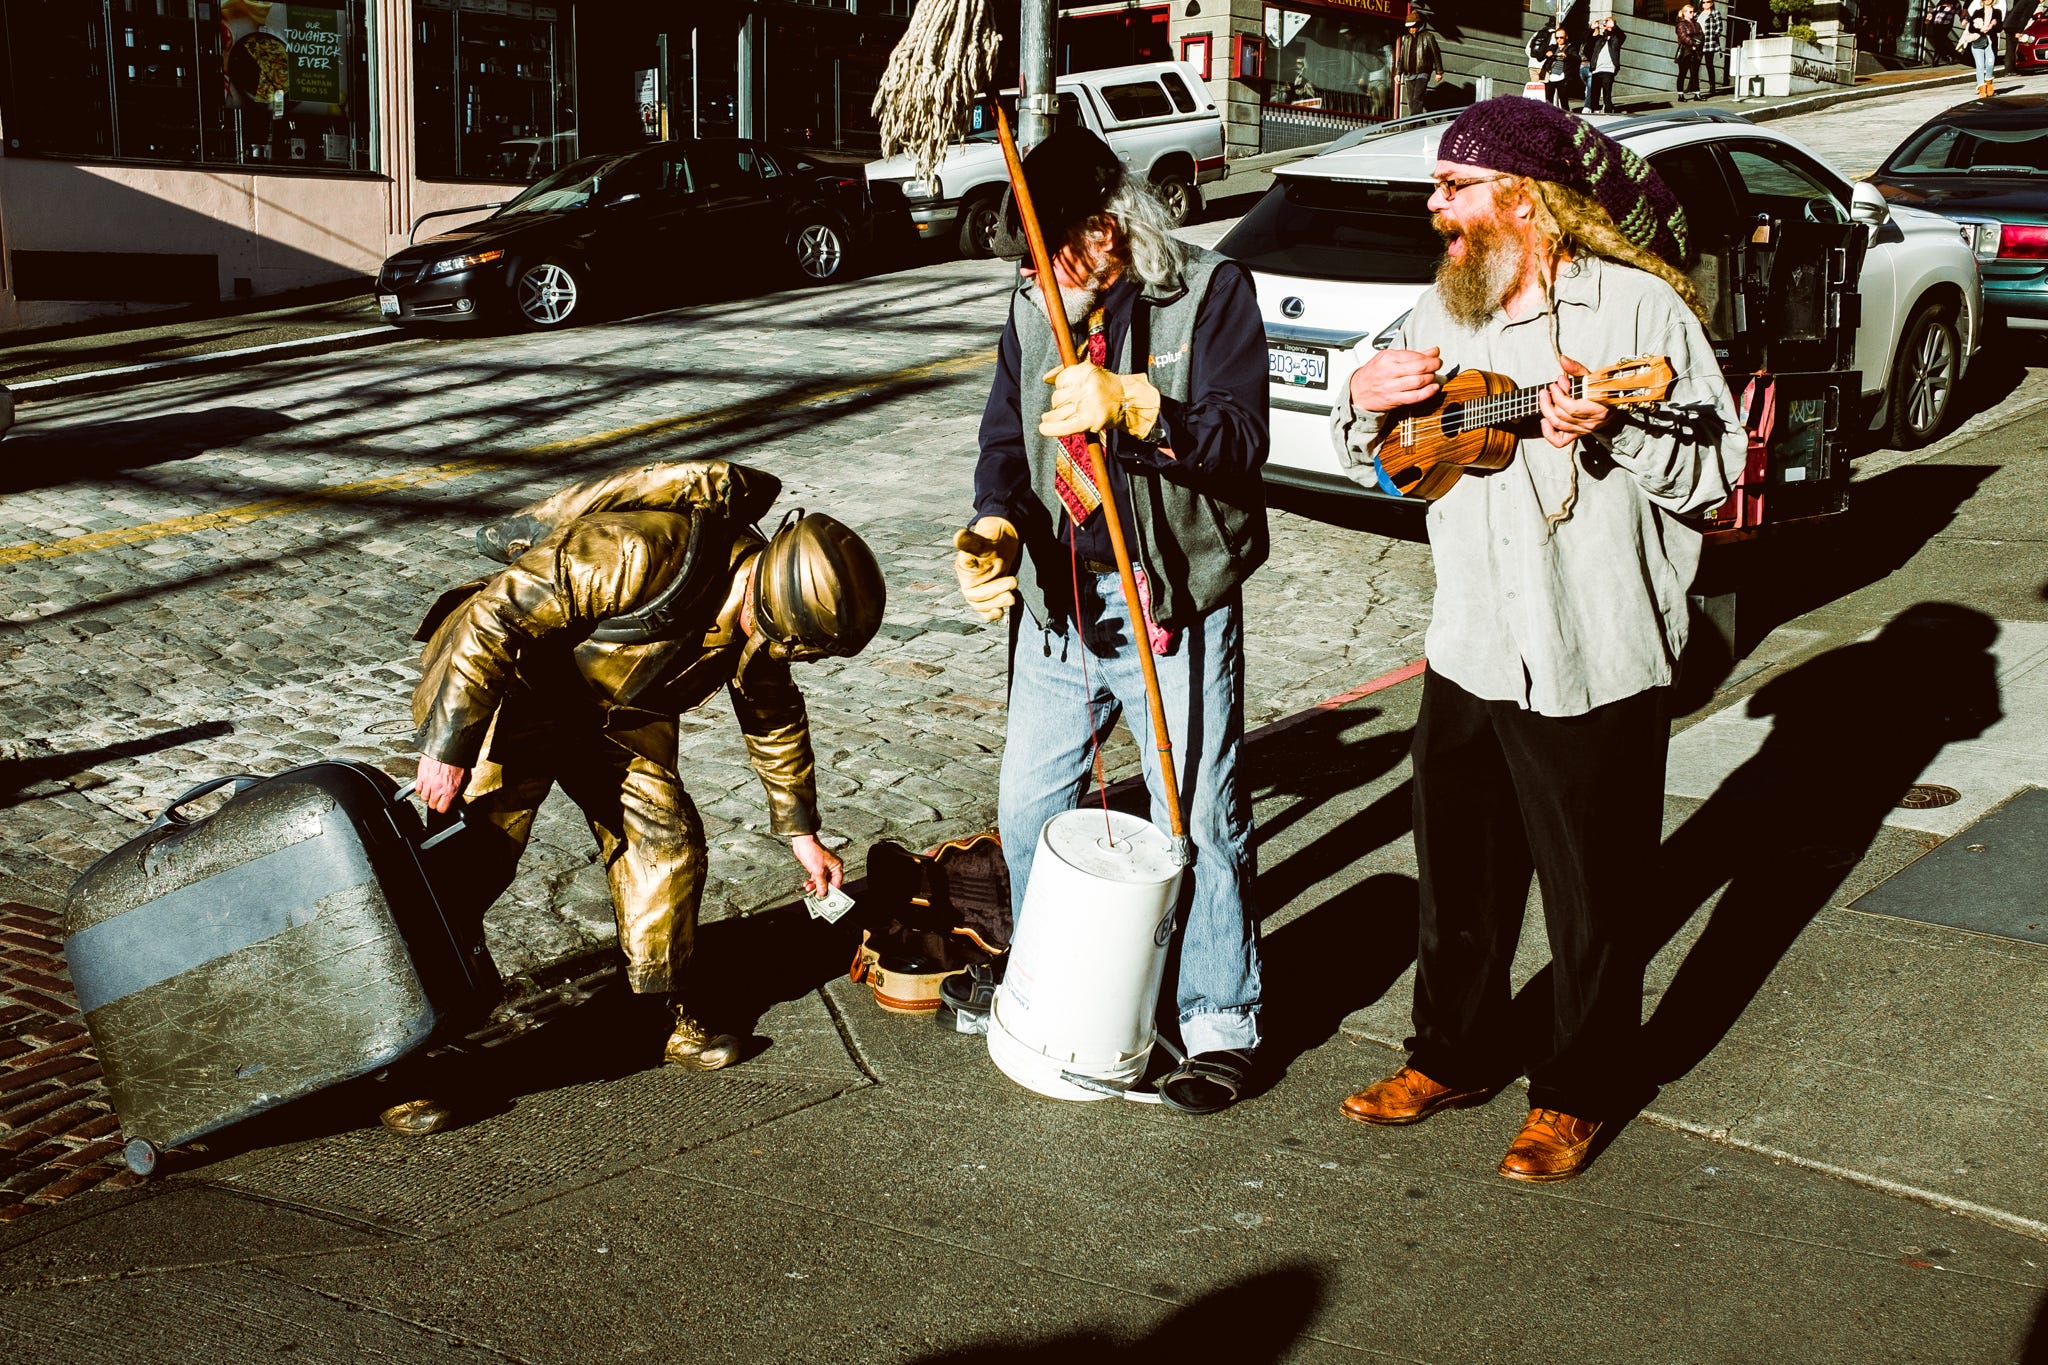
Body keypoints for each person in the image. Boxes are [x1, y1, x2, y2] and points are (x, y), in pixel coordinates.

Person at [1328, 97, 1747, 1182]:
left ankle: (1578, 1090)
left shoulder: (1639, 314)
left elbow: (1711, 474)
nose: (1434, 210)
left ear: (1523, 197)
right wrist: (1359, 393)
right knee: (1456, 875)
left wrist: (1615, 433)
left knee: (1593, 897)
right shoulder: (1442, 303)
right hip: (1469, 639)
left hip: (1590, 647)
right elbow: (1368, 445)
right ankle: (1451, 1055)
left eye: (1451, 189)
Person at [388, 459, 886, 1135]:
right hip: (510, 689)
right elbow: (495, 617)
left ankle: (657, 1002)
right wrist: (449, 746)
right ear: (771, 609)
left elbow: (772, 712)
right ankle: (409, 1054)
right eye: (798, 649)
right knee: (470, 855)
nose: (793, 659)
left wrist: (800, 831)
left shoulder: (765, 620)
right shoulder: (640, 550)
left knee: (668, 842)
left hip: (613, 713)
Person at [951, 128, 1269, 1115]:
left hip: (1170, 597)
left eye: (1048, 254)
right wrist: (994, 527)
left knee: (1194, 818)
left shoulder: (1209, 294)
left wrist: (1139, 408)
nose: (1037, 275)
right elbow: (1005, 439)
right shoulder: (1031, 304)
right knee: (1027, 810)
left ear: (1104, 229)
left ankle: (1219, 1021)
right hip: (1062, 599)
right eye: (1027, 260)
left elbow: (1241, 440)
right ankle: (1052, 982)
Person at [1394, 8, 1445, 118]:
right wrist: (1398, 73)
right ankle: (1420, 124)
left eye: (1413, 26)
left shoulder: (1428, 37)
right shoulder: (1406, 39)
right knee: (1411, 101)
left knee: (1417, 98)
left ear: (1419, 24)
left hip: (1422, 72)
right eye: (1409, 27)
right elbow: (1401, 58)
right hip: (1408, 74)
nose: (1411, 29)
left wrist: (1439, 71)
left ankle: (1412, 125)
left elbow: (1436, 54)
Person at [1584, 17, 1625, 114]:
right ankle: (1594, 111)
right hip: (1596, 69)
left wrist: (1613, 26)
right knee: (1594, 94)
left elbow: (1622, 36)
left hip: (1608, 69)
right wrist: (1591, 29)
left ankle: (1608, 111)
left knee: (1607, 94)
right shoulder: (1599, 39)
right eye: (1605, 23)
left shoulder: (1616, 39)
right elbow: (1587, 42)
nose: (1605, 25)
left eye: (1608, 22)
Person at [1966, 0, 2002, 97]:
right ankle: (1982, 89)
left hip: (1990, 41)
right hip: (1978, 42)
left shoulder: (1997, 12)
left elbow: (1999, 28)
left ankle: (1988, 84)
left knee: (1990, 63)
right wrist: (1981, 30)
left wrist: (1992, 25)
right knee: (1980, 65)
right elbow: (1971, 28)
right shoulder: (1977, 12)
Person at [1675, 5, 1705, 101]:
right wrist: (1693, 42)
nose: (1692, 13)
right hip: (1685, 51)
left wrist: (1697, 44)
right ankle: (1680, 95)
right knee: (1682, 73)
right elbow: (1683, 36)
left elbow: (1701, 35)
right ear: (1684, 13)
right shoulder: (1681, 24)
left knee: (1695, 73)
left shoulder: (1697, 24)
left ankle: (1697, 94)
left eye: (1693, 11)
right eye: (1690, 12)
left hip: (1696, 51)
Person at [1699, 0, 1729, 96]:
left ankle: (1712, 86)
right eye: (1703, 2)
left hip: (1709, 42)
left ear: (1712, 3)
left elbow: (1720, 28)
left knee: (1709, 64)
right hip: (1699, 42)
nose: (1705, 4)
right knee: (1695, 64)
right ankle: (1693, 84)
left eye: (1708, 2)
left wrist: (1714, 35)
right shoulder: (1698, 14)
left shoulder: (1715, 13)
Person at [1540, 28, 1574, 110]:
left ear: (1566, 37)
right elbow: (1539, 56)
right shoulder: (1552, 47)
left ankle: (1567, 118)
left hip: (1562, 76)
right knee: (1548, 101)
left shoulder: (1570, 48)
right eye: (1557, 37)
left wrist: (1566, 56)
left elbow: (1576, 58)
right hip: (1551, 76)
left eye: (1561, 37)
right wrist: (1546, 54)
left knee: (1563, 101)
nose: (1559, 39)